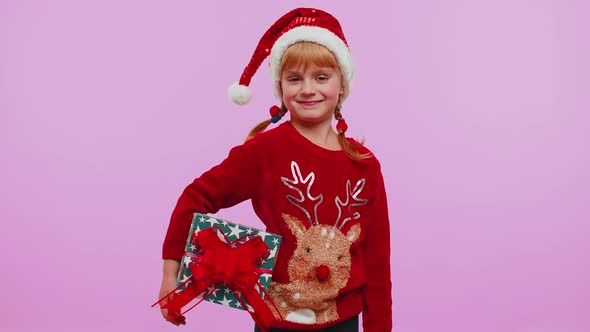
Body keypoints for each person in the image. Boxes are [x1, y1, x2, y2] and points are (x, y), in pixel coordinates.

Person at [158, 7, 392, 332]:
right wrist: (171, 275)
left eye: (321, 77)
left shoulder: (364, 165)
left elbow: (377, 261)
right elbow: (195, 197)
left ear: (342, 84)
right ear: (280, 87)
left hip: (344, 321)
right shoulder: (265, 151)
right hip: (278, 321)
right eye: (294, 79)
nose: (308, 89)